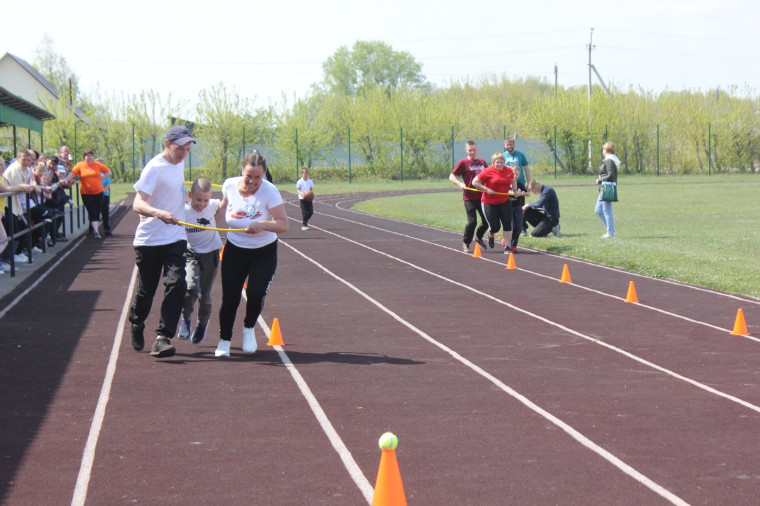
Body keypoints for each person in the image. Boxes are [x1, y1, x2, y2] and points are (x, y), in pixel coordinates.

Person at [129, 125, 195, 358]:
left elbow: (175, 192)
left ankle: (163, 337)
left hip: (175, 237)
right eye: (180, 149)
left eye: (187, 149)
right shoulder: (154, 168)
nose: (184, 154)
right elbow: (138, 204)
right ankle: (136, 322)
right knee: (147, 289)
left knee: (177, 284)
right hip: (149, 240)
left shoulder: (180, 163)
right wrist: (159, 213)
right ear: (167, 144)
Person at [216, 151, 288, 358]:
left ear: (264, 175)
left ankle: (248, 329)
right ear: (242, 171)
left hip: (263, 252)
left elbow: (284, 224)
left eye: (258, 177)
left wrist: (261, 225)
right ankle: (225, 340)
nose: (253, 181)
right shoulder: (229, 185)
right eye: (249, 175)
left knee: (255, 293)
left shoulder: (270, 191)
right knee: (229, 298)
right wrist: (204, 219)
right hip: (235, 250)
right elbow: (222, 208)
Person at [179, 178, 226, 344]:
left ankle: (202, 323)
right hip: (191, 251)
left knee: (204, 294)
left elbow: (227, 201)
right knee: (190, 287)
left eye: (205, 200)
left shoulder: (213, 205)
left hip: (211, 251)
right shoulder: (183, 210)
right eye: (198, 200)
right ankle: (185, 318)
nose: (202, 204)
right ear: (190, 195)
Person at [471, 153, 517, 251]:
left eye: (502, 162)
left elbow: (513, 180)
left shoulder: (508, 170)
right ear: (493, 163)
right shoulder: (487, 171)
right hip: (489, 202)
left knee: (507, 224)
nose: (500, 164)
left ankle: (507, 246)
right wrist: (486, 189)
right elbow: (475, 182)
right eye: (497, 162)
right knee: (495, 226)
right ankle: (491, 234)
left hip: (504, 201)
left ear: (504, 162)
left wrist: (515, 190)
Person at [449, 140, 489, 252]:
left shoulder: (482, 162)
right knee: (472, 222)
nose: (472, 152)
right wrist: (460, 184)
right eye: (470, 150)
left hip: (483, 197)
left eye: (474, 150)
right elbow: (451, 176)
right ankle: (466, 243)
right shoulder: (463, 163)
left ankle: (478, 237)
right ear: (466, 150)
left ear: (477, 149)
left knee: (487, 221)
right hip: (469, 197)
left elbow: (488, 176)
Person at [64, 150, 112, 239]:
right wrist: (66, 180)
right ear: (84, 157)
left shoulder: (97, 165)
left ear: (93, 157)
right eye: (87, 155)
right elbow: (72, 174)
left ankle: (94, 229)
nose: (89, 157)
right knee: (92, 210)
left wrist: (101, 178)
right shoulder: (80, 165)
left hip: (99, 192)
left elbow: (109, 172)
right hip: (86, 193)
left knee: (97, 211)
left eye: (90, 155)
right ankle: (96, 231)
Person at [596, 141, 619, 238]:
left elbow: (610, 175)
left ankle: (610, 232)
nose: (603, 151)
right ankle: (611, 229)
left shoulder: (609, 160)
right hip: (605, 187)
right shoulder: (610, 159)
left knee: (607, 210)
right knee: (598, 210)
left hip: (607, 187)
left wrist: (599, 180)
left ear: (607, 150)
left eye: (603, 149)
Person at [507, 166, 528, 253]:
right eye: (513, 174)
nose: (515, 176)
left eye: (517, 174)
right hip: (508, 207)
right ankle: (507, 243)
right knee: (511, 227)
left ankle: (514, 245)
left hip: (518, 207)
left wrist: (522, 193)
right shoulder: (506, 184)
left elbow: (528, 193)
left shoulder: (520, 184)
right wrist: (513, 192)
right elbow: (505, 192)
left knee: (518, 227)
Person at [96, 158, 113, 236]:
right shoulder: (94, 173)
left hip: (104, 195)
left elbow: (108, 183)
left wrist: (104, 190)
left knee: (105, 213)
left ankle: (107, 229)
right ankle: (93, 230)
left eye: (102, 164)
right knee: (95, 213)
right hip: (95, 195)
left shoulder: (105, 173)